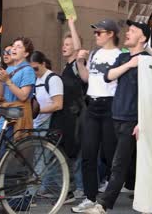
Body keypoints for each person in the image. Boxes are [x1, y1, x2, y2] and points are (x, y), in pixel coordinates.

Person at [85, 20, 152, 214]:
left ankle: (103, 205)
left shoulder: (148, 60)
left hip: (132, 118)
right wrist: (130, 63)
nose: (128, 33)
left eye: (133, 31)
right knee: (124, 160)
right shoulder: (124, 58)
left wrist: (142, 121)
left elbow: (149, 95)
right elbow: (108, 76)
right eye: (128, 30)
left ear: (143, 38)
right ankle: (145, 193)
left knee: (119, 162)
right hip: (115, 114)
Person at [72, 19, 122, 213]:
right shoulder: (94, 53)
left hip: (110, 105)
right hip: (92, 105)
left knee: (110, 155)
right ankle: (90, 197)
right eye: (95, 33)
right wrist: (80, 61)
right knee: (88, 155)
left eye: (99, 32)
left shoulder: (121, 55)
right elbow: (86, 78)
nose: (96, 36)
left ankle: (108, 196)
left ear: (110, 33)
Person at [0, 37, 36, 157]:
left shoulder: (28, 70)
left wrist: (7, 81)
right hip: (6, 114)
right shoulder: (9, 68)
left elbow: (24, 96)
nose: (14, 49)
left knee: (8, 154)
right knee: (1, 153)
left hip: (17, 115)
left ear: (26, 53)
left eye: (19, 47)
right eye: (14, 46)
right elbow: (1, 95)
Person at [61, 17, 87, 199]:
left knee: (78, 151)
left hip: (79, 114)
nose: (65, 46)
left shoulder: (78, 66)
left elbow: (79, 50)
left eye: (68, 44)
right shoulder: (66, 67)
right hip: (68, 114)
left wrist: (71, 23)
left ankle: (81, 188)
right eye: (64, 43)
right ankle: (72, 187)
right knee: (70, 150)